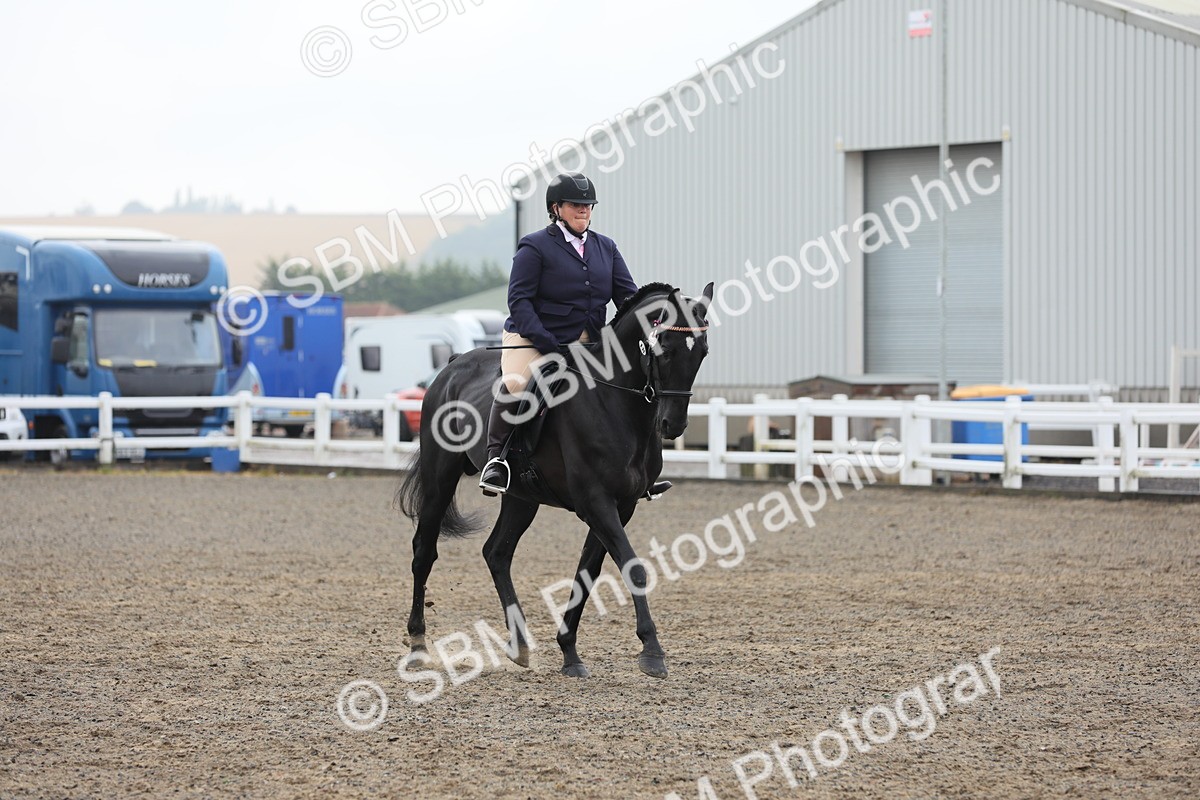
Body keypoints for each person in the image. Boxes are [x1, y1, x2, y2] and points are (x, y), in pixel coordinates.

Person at [479, 172, 638, 496]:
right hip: (533, 336)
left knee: (623, 386)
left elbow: (627, 297)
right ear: (556, 208)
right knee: (516, 383)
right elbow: (519, 301)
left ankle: (635, 468)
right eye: (576, 205)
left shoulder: (606, 248)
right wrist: (547, 344)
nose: (583, 211)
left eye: (588, 205)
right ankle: (497, 460)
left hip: (589, 340)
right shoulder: (535, 246)